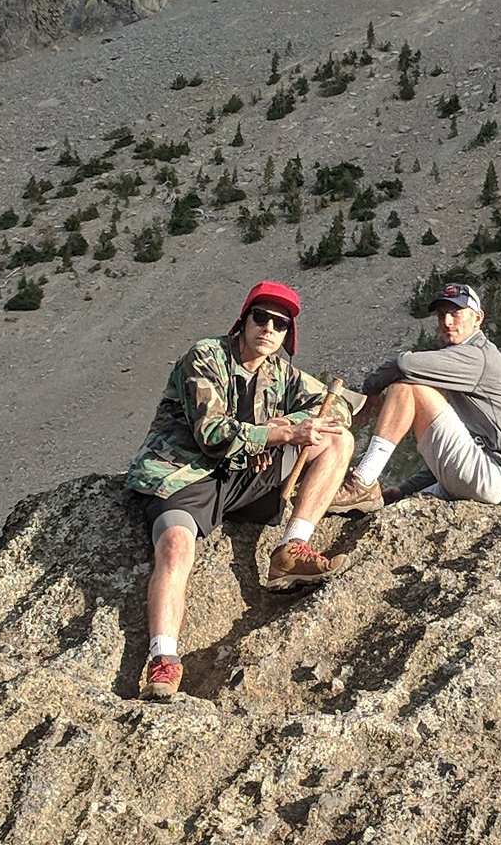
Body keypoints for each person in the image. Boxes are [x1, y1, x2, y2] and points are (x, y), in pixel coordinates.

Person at [125, 280, 353, 700]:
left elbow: (340, 405)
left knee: (337, 438)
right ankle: (163, 660)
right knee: (175, 546)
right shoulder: (206, 356)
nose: (269, 328)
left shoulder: (279, 372)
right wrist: (275, 434)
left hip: (241, 476)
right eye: (261, 317)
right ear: (244, 320)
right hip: (185, 473)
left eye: (280, 324)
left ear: (288, 335)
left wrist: (284, 428)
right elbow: (211, 432)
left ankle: (292, 547)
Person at [341, 281, 501, 511]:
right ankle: (373, 489)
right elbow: (465, 442)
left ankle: (361, 481)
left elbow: (405, 363)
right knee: (395, 505)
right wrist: (405, 489)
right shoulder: (472, 356)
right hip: (489, 479)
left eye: (456, 313)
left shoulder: (477, 356)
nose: (447, 322)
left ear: (478, 317)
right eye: (441, 315)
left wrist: (371, 389)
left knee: (406, 387)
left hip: (495, 478)